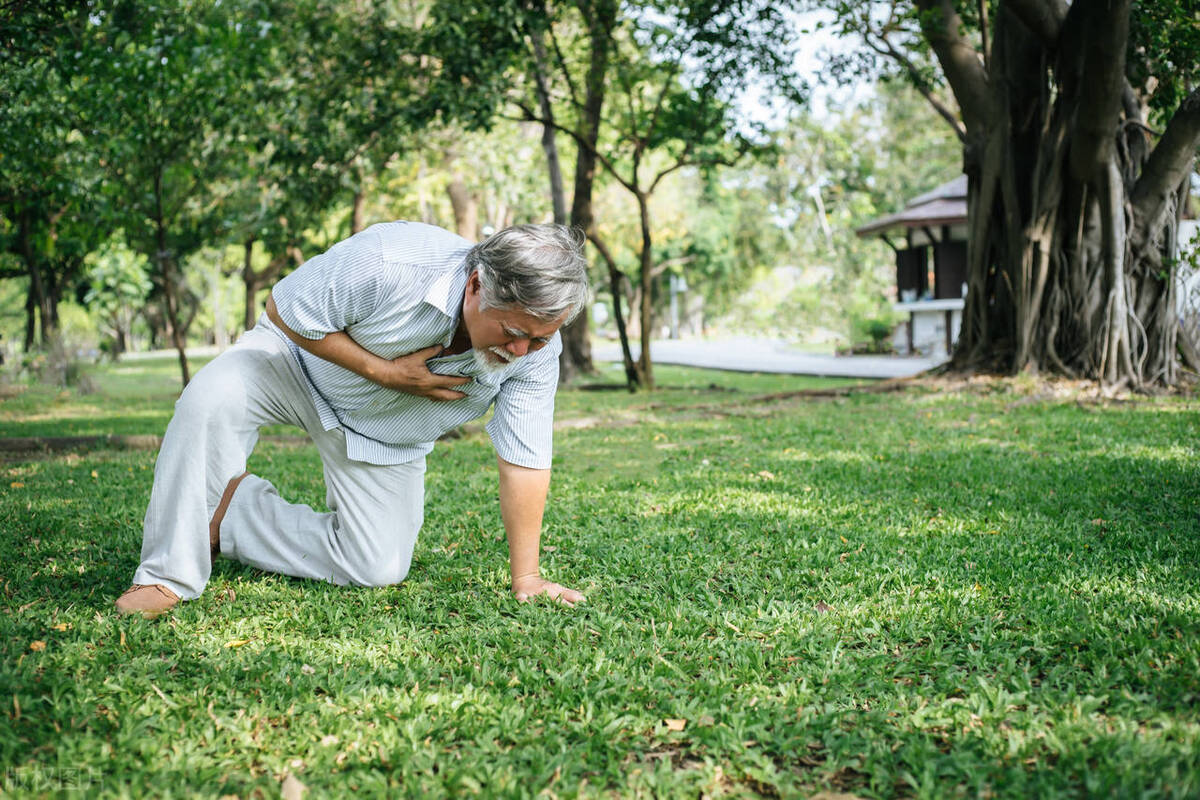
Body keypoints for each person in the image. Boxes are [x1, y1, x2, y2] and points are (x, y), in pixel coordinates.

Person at [115, 221, 589, 618]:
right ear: (475, 287)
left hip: (381, 434)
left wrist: (526, 576)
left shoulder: (534, 355)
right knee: (210, 398)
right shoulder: (391, 259)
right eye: (513, 332)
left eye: (540, 339)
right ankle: (166, 575)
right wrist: (383, 371)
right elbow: (284, 307)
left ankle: (229, 515)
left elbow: (524, 458)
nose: (522, 350)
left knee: (378, 566)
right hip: (292, 365)